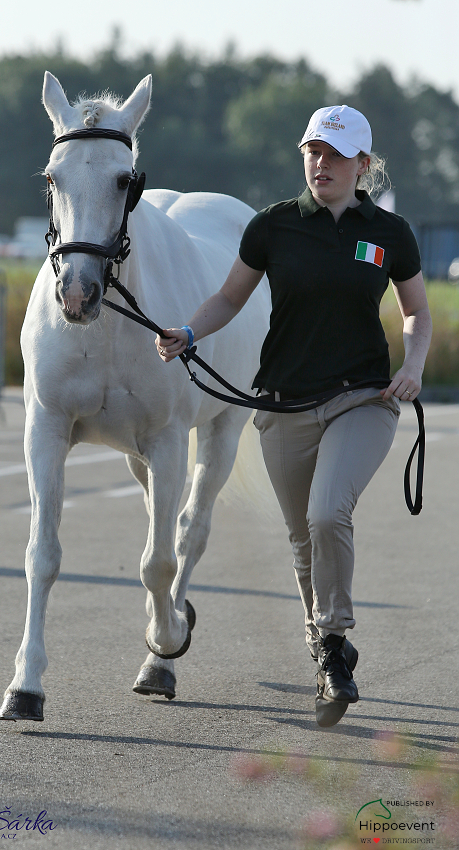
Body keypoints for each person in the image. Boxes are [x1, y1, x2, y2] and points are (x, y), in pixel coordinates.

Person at [155, 104, 432, 727]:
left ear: (363, 165)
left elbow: (416, 311)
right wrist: (188, 332)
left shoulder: (390, 233)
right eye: (312, 151)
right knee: (304, 540)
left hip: (363, 398)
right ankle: (325, 647)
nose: (320, 163)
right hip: (282, 404)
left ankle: (332, 646)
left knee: (328, 511)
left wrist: (412, 363)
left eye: (334, 155)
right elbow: (229, 297)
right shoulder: (273, 226)